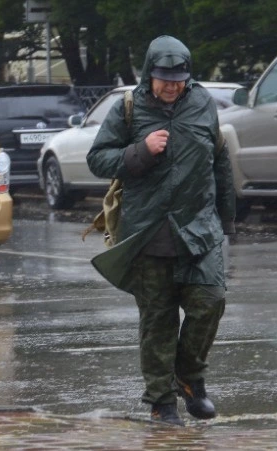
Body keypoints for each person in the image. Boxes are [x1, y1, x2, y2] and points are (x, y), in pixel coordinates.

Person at [87, 35, 236, 426]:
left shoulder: (202, 103)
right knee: (158, 320)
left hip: (198, 229)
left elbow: (219, 158)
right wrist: (141, 150)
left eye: (179, 79)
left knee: (211, 301)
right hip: (149, 231)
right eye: (164, 79)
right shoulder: (128, 108)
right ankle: (161, 402)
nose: (172, 86)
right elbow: (98, 159)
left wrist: (227, 219)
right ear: (148, 75)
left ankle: (189, 377)